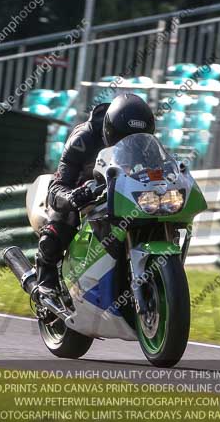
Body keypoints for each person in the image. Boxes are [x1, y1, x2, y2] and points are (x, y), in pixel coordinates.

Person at [34, 93, 156, 299]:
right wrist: (73, 196)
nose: (130, 144)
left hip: (123, 195)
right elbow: (57, 186)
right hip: (82, 192)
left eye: (137, 138)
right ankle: (46, 281)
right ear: (109, 131)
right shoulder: (83, 138)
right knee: (59, 227)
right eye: (123, 138)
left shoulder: (146, 143)